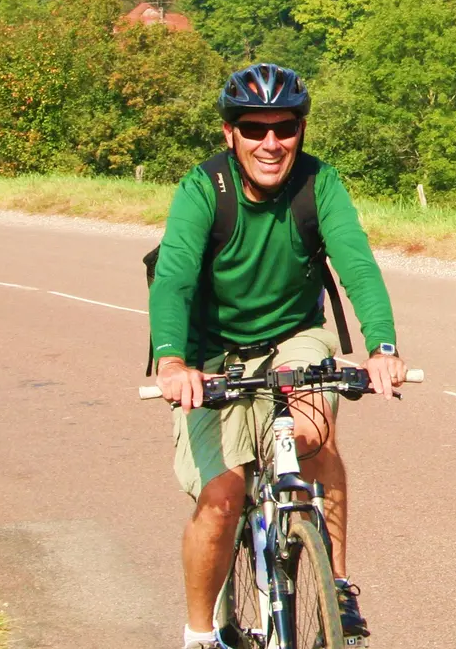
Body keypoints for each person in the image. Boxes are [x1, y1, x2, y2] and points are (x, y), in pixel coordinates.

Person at [148, 64, 408, 649]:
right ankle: (198, 634)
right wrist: (171, 361)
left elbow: (356, 263)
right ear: (230, 134)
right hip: (208, 353)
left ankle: (335, 582)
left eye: (285, 128)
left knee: (315, 432)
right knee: (221, 498)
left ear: (301, 129)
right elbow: (173, 280)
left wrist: (382, 346)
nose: (271, 143)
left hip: (293, 336)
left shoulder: (318, 184)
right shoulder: (201, 190)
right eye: (254, 128)